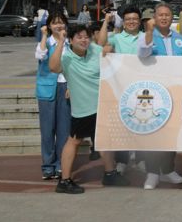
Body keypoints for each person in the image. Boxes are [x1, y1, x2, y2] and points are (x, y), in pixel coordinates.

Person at [49, 24, 129, 193]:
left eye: (86, 36)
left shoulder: (93, 48)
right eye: (79, 37)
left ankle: (110, 174)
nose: (84, 40)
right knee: (74, 141)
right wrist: (60, 42)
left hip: (102, 105)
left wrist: (108, 48)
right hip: (83, 109)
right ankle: (64, 181)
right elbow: (53, 67)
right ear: (71, 40)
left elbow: (106, 47)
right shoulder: (67, 58)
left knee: (104, 140)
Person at [137, 3, 182, 190]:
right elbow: (143, 53)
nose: (164, 18)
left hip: (174, 92)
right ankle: (152, 172)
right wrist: (149, 32)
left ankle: (167, 169)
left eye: (167, 15)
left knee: (172, 132)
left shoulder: (179, 38)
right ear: (155, 18)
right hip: (155, 93)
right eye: (160, 15)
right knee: (154, 133)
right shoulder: (147, 36)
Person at [98, 5, 143, 174]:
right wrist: (106, 22)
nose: (131, 22)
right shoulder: (117, 38)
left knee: (141, 124)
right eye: (128, 19)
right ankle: (122, 160)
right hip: (121, 89)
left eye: (135, 19)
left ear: (140, 22)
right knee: (123, 125)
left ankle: (140, 159)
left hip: (141, 88)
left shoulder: (146, 37)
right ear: (123, 22)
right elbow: (101, 43)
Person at [35, 11, 71, 180]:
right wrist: (43, 36)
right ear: (49, 26)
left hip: (66, 87)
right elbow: (40, 56)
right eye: (55, 23)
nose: (59, 25)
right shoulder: (46, 42)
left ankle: (60, 165)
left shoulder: (70, 43)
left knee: (64, 129)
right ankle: (47, 165)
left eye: (61, 22)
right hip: (47, 89)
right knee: (47, 129)